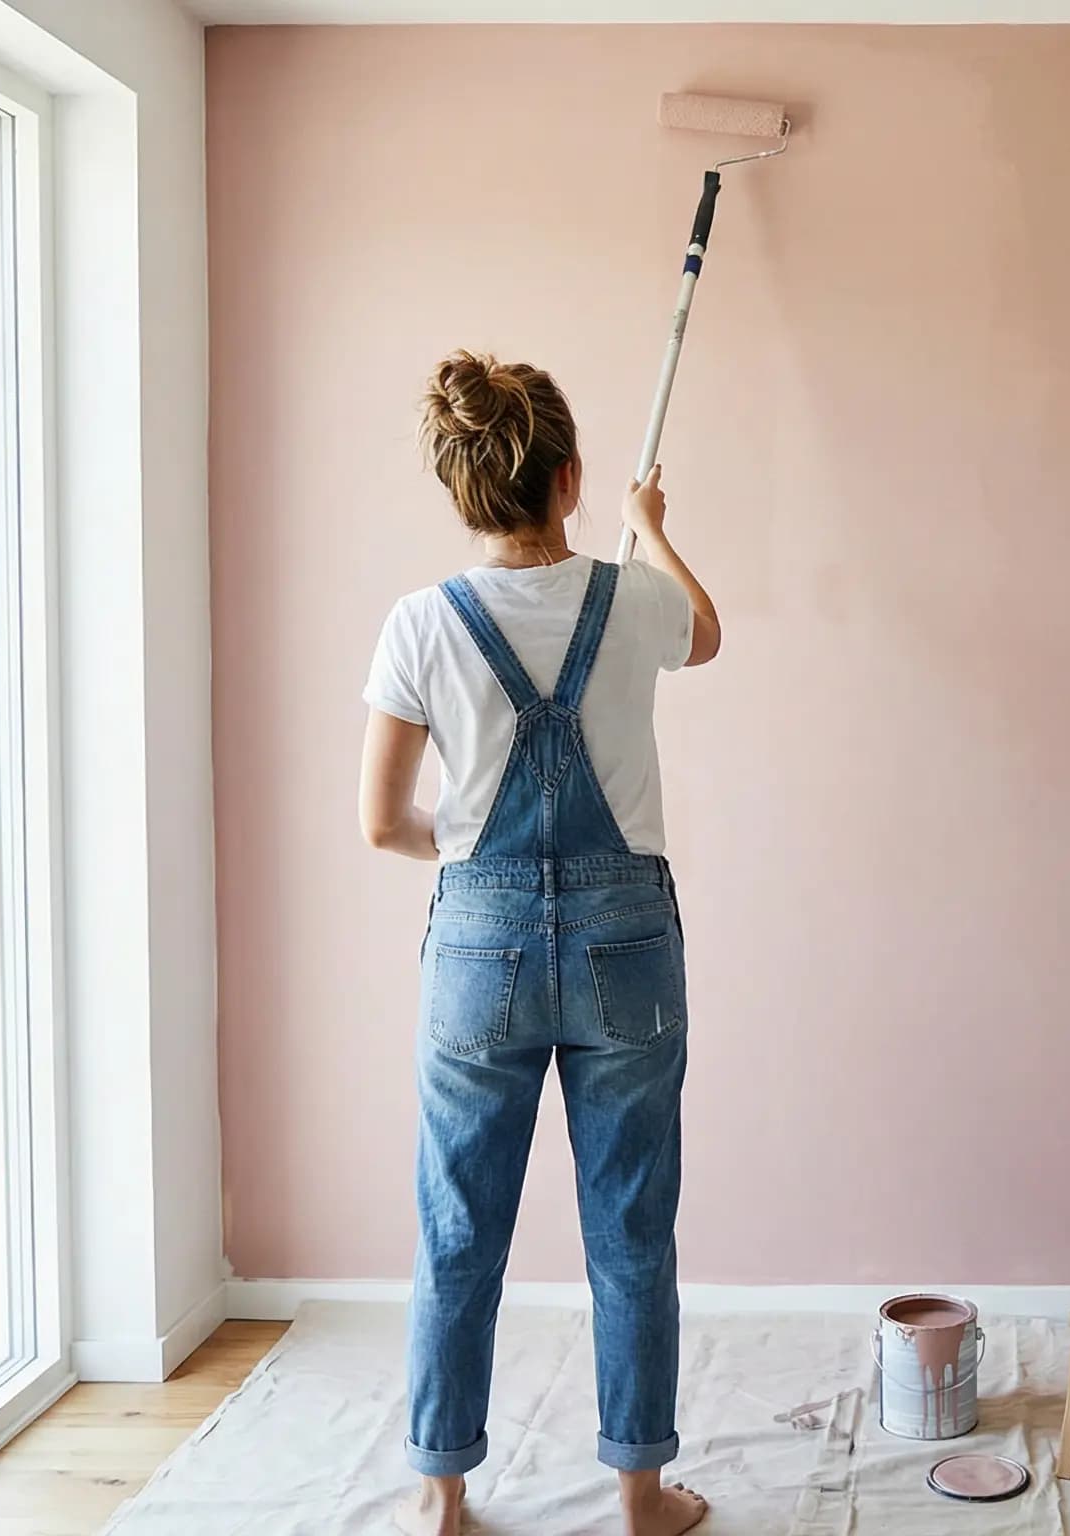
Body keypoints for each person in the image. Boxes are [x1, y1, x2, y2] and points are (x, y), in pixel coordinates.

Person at [359, 351, 722, 1536]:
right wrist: (647, 526)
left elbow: (378, 823)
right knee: (629, 1224)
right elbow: (705, 633)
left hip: (480, 947)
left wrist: (467, 858)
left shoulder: (420, 624)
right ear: (568, 478)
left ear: (462, 491)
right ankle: (640, 1491)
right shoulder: (636, 600)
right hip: (626, 948)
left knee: (460, 1224)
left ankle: (442, 1493)